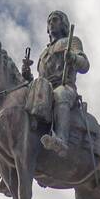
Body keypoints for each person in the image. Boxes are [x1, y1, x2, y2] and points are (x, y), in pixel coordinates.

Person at [22, 10, 89, 157]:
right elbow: (40, 79)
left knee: (60, 95)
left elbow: (85, 65)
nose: (51, 23)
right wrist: (27, 77)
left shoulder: (72, 41)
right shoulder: (44, 53)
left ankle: (61, 139)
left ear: (63, 24)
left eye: (56, 20)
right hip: (44, 90)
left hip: (65, 86)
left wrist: (73, 58)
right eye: (49, 21)